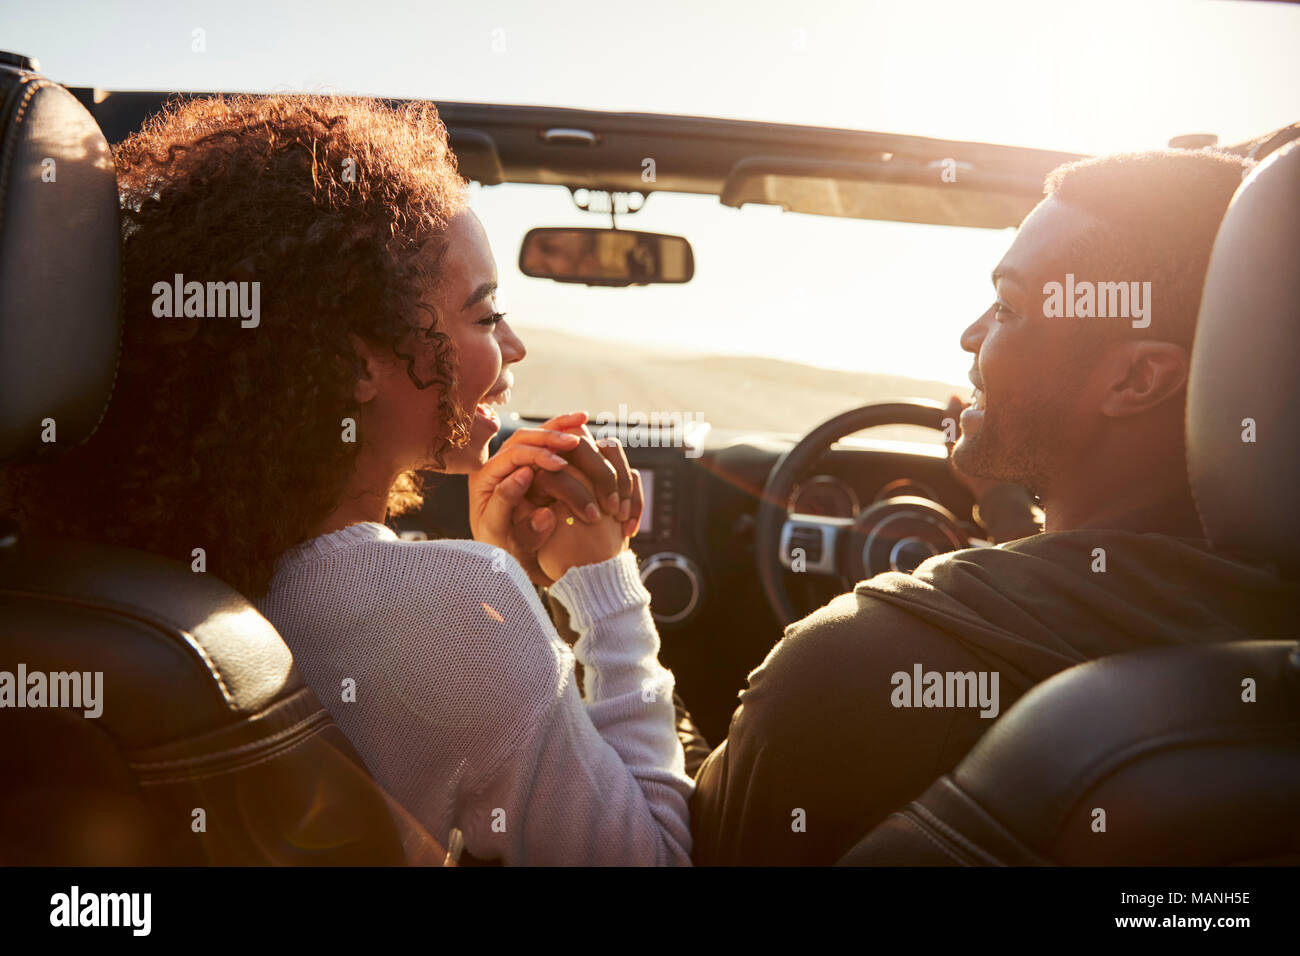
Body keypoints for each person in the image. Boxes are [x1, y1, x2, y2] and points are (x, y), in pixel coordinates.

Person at [1, 95, 692, 865]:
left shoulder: (88, 583)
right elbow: (653, 857)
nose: (515, 346)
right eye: (485, 314)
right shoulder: (461, 609)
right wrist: (604, 595)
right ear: (358, 360)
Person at [689, 149, 1298, 865]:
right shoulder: (1266, 648)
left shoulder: (856, 666)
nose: (971, 334)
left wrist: (605, 608)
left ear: (1137, 377)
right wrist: (1014, 514)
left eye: (1008, 305)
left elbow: (673, 846)